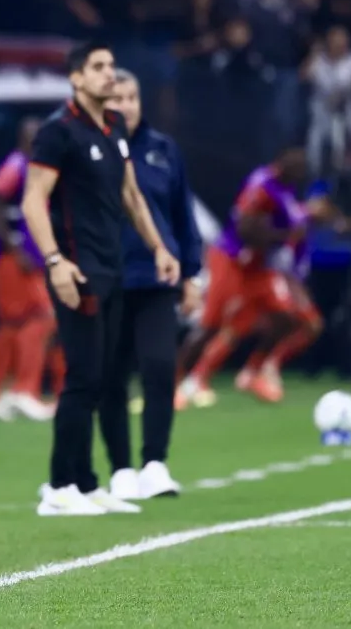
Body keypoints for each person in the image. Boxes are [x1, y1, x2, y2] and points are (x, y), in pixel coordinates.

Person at [21, 40, 181, 517]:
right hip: (78, 268)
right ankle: (58, 485)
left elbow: (132, 194)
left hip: (114, 268)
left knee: (103, 376)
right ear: (76, 77)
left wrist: (158, 247)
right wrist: (55, 261)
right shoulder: (58, 133)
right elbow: (32, 201)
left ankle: (88, 484)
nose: (109, 74)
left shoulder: (113, 125)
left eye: (112, 65)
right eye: (99, 67)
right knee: (83, 377)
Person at [99, 69, 202, 500]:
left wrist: (191, 273)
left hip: (157, 278)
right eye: (117, 98)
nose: (125, 105)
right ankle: (121, 469)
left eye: (132, 97)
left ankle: (155, 463)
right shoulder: (90, 149)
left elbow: (182, 214)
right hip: (108, 277)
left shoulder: (163, 150)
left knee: (160, 367)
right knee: (110, 376)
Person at [176, 148, 311, 408]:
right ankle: (175, 383)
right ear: (282, 167)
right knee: (211, 325)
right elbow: (245, 227)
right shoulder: (262, 185)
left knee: (287, 318)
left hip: (261, 266)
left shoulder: (287, 190)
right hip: (233, 260)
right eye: (297, 170)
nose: (300, 176)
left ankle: (252, 372)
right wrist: (284, 236)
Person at [0, 116, 58, 422]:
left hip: (25, 258)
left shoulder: (35, 168)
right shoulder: (18, 165)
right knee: (43, 317)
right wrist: (12, 246)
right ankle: (24, 390)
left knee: (12, 324)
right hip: (13, 260)